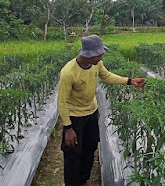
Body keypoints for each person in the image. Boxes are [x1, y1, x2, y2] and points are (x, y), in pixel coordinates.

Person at [57, 34, 145, 186]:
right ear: (88, 55)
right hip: (74, 117)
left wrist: (130, 81)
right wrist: (68, 128)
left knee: (90, 147)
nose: (101, 56)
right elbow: (62, 102)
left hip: (91, 113)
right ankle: (72, 183)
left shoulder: (96, 64)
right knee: (73, 153)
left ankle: (83, 180)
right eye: (99, 53)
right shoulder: (68, 72)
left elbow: (107, 76)